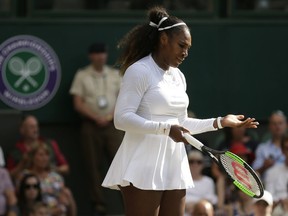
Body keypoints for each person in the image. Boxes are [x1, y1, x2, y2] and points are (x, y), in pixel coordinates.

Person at [101, 6, 259, 216]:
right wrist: (166, 129)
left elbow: (182, 123)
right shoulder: (139, 71)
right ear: (164, 39)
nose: (185, 53)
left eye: (188, 48)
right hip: (142, 163)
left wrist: (220, 122)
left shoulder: (178, 76)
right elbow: (121, 119)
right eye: (181, 45)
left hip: (174, 162)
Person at [69, 42, 123, 214]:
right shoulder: (82, 75)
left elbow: (123, 99)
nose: (101, 56)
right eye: (97, 53)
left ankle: (128, 201)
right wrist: (96, 118)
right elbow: (78, 103)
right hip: (90, 126)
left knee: (121, 162)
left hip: (113, 125)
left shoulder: (115, 74)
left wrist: (108, 117)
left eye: (103, 53)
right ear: (91, 56)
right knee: (92, 166)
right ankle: (98, 204)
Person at [17, 142, 77, 216]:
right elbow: (22, 200)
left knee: (68, 193)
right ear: (33, 157)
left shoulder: (56, 177)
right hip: (37, 212)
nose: (44, 158)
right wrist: (51, 212)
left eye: (46, 155)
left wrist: (64, 201)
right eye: (41, 155)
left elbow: (64, 199)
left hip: (59, 211)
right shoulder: (25, 176)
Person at [7, 115, 69, 179]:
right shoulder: (15, 152)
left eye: (36, 126)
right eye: (31, 127)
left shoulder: (50, 144)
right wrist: (22, 164)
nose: (35, 130)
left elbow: (65, 168)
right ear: (22, 129)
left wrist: (50, 170)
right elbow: (7, 176)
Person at [252, 110, 287, 180]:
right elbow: (254, 174)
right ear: (269, 126)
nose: (277, 127)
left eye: (280, 123)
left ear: (286, 125)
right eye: (274, 124)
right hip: (268, 186)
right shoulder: (262, 148)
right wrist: (264, 166)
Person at [185, 151, 217, 216]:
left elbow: (212, 199)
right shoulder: (181, 181)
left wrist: (197, 206)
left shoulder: (208, 181)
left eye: (199, 162)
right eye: (191, 161)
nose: (195, 165)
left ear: (203, 165)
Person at [265, 134, 288, 215]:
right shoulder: (272, 172)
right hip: (279, 210)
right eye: (287, 148)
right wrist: (282, 201)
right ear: (282, 150)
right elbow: (269, 199)